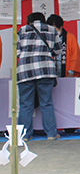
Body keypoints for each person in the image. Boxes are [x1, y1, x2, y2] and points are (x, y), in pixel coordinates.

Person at [17, 12, 63, 141]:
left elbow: (17, 51)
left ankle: (25, 135)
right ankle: (51, 134)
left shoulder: (22, 30)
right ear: (43, 20)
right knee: (46, 103)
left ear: (29, 21)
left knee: (25, 104)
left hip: (25, 70)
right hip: (46, 70)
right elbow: (58, 51)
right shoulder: (51, 30)